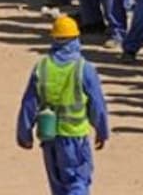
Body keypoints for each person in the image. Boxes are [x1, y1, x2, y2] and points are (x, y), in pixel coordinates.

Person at [16, 15, 110, 195]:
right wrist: (102, 130)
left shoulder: (42, 67)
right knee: (77, 182)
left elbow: (28, 104)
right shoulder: (83, 68)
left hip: (49, 136)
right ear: (76, 38)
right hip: (75, 137)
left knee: (58, 186)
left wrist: (24, 134)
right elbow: (97, 104)